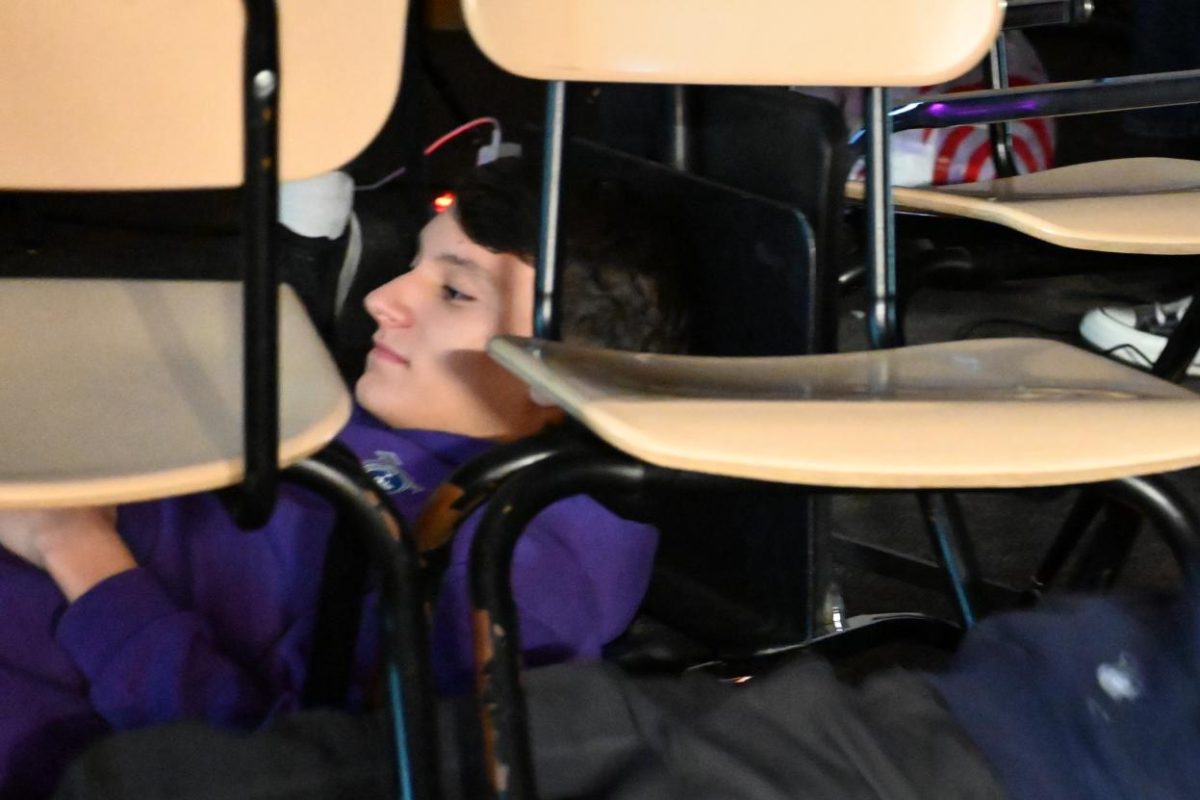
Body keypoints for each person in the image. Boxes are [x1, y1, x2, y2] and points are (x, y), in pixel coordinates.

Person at [0, 157, 689, 799]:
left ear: (561, 371)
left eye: (452, 291)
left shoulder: (518, 562)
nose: (382, 298)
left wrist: (75, 548)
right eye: (413, 266)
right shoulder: (372, 421)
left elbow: (290, 768)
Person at [50, 581, 1200, 800]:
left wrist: (88, 566)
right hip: (987, 695)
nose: (386, 302)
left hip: (1028, 760)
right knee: (553, 729)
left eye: (452, 289)